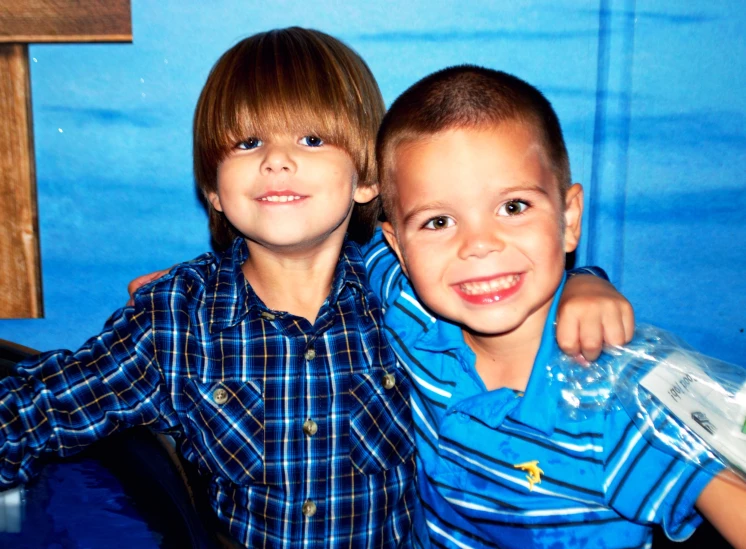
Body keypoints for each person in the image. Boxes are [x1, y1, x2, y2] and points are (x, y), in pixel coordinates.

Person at [3, 28, 629, 549]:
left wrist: (580, 286)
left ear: (366, 181)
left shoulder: (403, 291)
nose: (277, 160)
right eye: (248, 143)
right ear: (215, 191)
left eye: (310, 138)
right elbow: (35, 411)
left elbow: (504, 287)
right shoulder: (176, 322)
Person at [365, 64, 746, 548]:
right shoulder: (405, 310)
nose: (478, 245)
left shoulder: (619, 397)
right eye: (439, 222)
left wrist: (578, 283)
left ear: (569, 219)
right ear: (398, 247)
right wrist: (583, 281)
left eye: (513, 207)